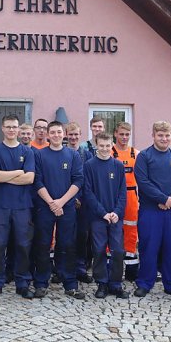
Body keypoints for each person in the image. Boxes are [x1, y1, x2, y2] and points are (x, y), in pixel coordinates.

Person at [133, 121, 171, 298]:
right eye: (160, 135)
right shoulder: (144, 156)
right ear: (153, 135)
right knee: (149, 247)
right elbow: (142, 182)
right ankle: (145, 283)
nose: (164, 139)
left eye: (167, 136)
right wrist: (162, 199)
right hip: (151, 211)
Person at [32, 121, 85, 299]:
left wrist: (61, 202)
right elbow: (37, 181)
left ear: (64, 134)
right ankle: (41, 282)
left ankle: (70, 283)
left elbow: (78, 180)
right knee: (43, 245)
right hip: (45, 207)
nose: (55, 135)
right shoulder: (39, 155)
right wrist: (51, 203)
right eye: (52, 132)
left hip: (67, 207)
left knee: (67, 245)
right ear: (47, 134)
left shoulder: (73, 155)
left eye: (59, 132)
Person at [0, 115, 36, 299]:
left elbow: (29, 178)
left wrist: (4, 176)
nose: (11, 130)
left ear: (18, 129)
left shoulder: (27, 152)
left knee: (23, 245)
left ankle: (22, 283)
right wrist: (17, 173)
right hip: (0, 206)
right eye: (8, 127)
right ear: (2, 128)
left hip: (22, 206)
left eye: (14, 127)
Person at [83, 132, 129, 299]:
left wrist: (116, 212)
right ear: (96, 145)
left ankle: (115, 284)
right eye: (101, 146)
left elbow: (122, 192)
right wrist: (103, 213)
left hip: (115, 217)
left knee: (117, 250)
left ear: (112, 146)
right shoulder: (89, 165)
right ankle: (102, 283)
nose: (104, 149)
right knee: (99, 250)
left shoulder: (117, 165)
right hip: (98, 217)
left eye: (107, 146)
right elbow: (87, 193)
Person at [66, 121, 94, 283]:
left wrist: (81, 197)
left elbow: (88, 179)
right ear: (66, 135)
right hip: (67, 200)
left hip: (84, 202)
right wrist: (72, 197)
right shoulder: (62, 152)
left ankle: (81, 267)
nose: (74, 137)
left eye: (76, 134)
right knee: (66, 236)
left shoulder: (86, 154)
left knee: (83, 235)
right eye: (71, 134)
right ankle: (65, 267)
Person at [112, 122, 140, 281]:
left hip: (131, 197)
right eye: (121, 134)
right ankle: (112, 269)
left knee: (131, 232)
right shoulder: (108, 152)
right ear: (115, 134)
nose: (124, 137)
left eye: (127, 134)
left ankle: (131, 271)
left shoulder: (136, 154)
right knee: (113, 231)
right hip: (114, 196)